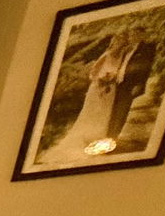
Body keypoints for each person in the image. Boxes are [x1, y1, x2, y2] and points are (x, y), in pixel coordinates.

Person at [42, 28, 144, 163]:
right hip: (98, 89)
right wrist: (101, 80)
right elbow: (93, 73)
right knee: (92, 113)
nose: (120, 45)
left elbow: (122, 71)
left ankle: (100, 142)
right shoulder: (106, 55)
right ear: (113, 43)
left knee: (105, 115)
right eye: (118, 42)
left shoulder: (122, 56)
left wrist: (111, 79)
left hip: (111, 90)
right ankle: (86, 139)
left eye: (122, 42)